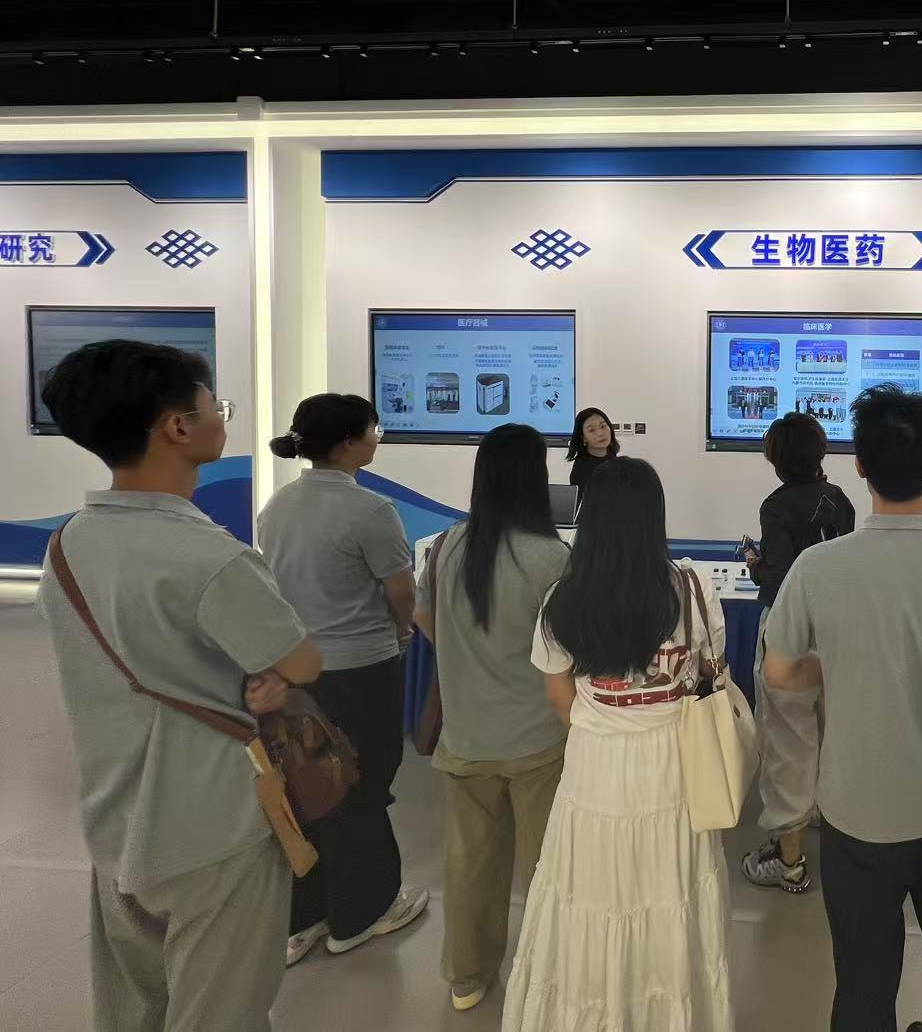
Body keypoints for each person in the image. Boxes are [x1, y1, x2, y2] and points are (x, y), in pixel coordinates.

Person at [36, 340, 321, 1030]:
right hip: (212, 822)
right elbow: (302, 662)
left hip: (117, 819)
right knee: (223, 1011)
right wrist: (268, 675)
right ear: (177, 426)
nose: (221, 415)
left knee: (134, 1008)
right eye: (213, 404)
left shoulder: (69, 543)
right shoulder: (212, 557)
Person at [765, 385, 922, 1031]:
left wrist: (845, 668)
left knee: (863, 980)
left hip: (854, 814)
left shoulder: (816, 569)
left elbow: (780, 672)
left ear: (859, 466)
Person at [505, 458, 733, 1031]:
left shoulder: (563, 599)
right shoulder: (692, 588)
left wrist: (607, 725)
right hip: (675, 766)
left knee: (592, 895)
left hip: (595, 769)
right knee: (669, 892)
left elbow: (559, 695)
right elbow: (712, 672)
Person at [260, 394, 428, 965]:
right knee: (362, 782)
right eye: (374, 429)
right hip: (361, 670)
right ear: (351, 441)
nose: (378, 438)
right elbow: (401, 591)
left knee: (306, 785)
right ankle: (362, 912)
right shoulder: (371, 511)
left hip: (296, 671)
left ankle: (304, 916)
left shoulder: (277, 506)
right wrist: (403, 631)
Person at [414, 424, 571, 1012]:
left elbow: (423, 619)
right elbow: (569, 651)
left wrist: (466, 656)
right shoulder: (552, 557)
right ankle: (549, 973)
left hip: (466, 736)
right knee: (547, 867)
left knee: (469, 863)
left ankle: (467, 976)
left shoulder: (448, 545)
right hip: (539, 741)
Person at [741, 412, 856, 894]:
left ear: (775, 459)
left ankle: (789, 863)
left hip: (790, 634)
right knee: (834, 734)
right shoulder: (841, 499)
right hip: (837, 632)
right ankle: (838, 833)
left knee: (788, 743)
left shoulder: (777, 506)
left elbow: (783, 578)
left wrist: (754, 564)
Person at [566, 406, 619, 494]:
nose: (600, 433)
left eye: (603, 426)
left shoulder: (612, 456)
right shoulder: (582, 469)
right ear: (583, 438)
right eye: (591, 430)